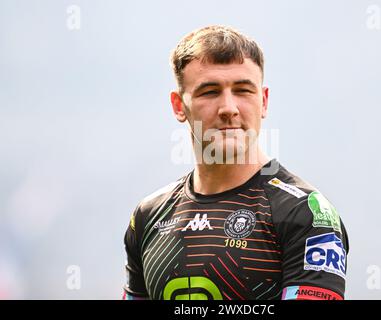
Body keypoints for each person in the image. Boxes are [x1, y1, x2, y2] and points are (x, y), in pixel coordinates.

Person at [123, 25, 349, 300]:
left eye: (243, 91)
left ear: (263, 102)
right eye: (210, 92)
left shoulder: (305, 214)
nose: (229, 108)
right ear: (178, 106)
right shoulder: (149, 216)